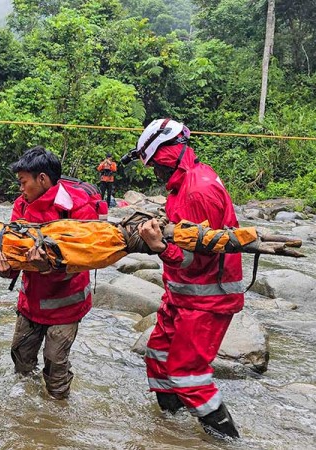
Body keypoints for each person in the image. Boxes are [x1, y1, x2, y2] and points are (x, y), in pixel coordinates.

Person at [135, 119, 243, 439]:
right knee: (157, 355)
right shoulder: (184, 184)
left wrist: (159, 248)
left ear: (167, 156)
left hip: (207, 297)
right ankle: (172, 431)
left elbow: (196, 260)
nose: (155, 172)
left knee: (187, 373)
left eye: (155, 165)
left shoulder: (198, 191)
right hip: (182, 293)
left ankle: (227, 441)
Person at [0, 146, 97, 399]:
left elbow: (88, 256)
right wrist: (5, 270)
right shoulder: (22, 206)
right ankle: (27, 411)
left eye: (23, 182)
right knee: (21, 360)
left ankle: (58, 418)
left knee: (55, 367)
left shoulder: (78, 207)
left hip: (67, 305)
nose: (20, 189)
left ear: (42, 179)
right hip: (31, 301)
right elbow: (15, 252)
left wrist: (49, 267)